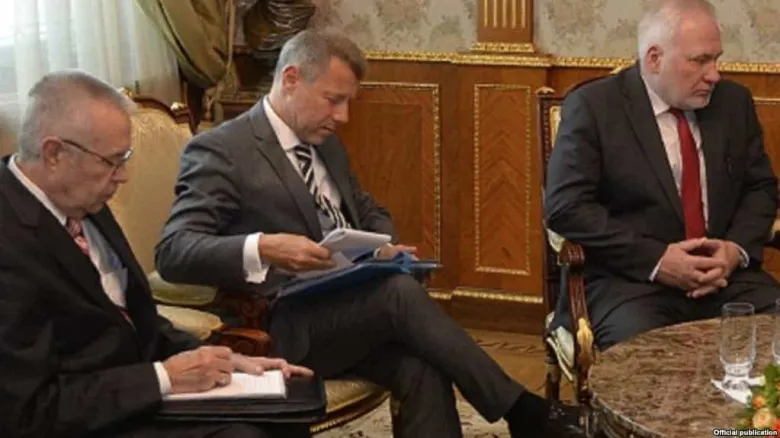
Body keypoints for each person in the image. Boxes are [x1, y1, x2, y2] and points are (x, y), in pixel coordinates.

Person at [154, 29, 583, 438]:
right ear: (291, 79)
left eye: (348, 103)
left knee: (421, 364)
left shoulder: (324, 142)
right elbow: (174, 251)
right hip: (278, 323)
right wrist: (264, 247)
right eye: (333, 100)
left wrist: (381, 246)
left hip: (346, 309)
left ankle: (524, 415)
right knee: (396, 292)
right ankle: (522, 411)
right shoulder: (222, 150)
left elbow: (367, 209)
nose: (343, 117)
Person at [0, 70, 315, 438]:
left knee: (283, 412)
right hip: (83, 418)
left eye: (125, 159)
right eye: (112, 161)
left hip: (133, 392)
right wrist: (163, 378)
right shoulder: (10, 240)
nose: (123, 176)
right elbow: (27, 411)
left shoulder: (79, 197)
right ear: (54, 153)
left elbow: (135, 320)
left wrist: (224, 359)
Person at [544, 0, 780, 350]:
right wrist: (658, 260)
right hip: (631, 284)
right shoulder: (595, 107)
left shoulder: (733, 103)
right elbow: (566, 207)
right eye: (700, 60)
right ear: (654, 58)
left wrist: (734, 251)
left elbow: (760, 188)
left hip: (724, 280)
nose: (714, 74)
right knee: (644, 362)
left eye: (716, 59)